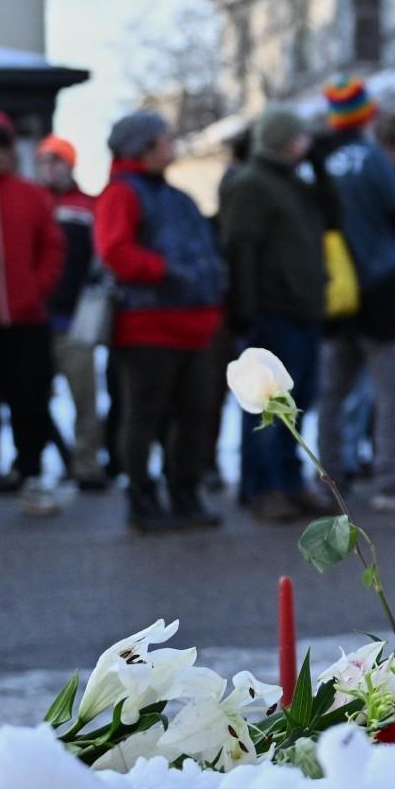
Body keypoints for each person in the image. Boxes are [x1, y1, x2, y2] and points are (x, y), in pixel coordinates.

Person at [94, 111, 224, 532]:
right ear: (143, 147)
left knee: (195, 414)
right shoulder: (121, 193)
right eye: (165, 138)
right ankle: (141, 497)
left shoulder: (177, 196)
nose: (172, 144)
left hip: (195, 326)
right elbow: (115, 252)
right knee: (143, 416)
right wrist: (167, 270)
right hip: (147, 328)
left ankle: (185, 491)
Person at [316, 78, 395, 512]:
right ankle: (390, 484)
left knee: (331, 395)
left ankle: (329, 482)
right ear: (366, 115)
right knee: (394, 393)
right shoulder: (372, 158)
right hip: (383, 291)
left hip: (333, 292)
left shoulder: (316, 159)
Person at [220, 108, 332, 522]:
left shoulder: (294, 183)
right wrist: (245, 310)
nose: (308, 143)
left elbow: (333, 216)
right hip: (272, 310)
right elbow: (240, 248)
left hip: (303, 308)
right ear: (285, 140)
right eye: (302, 138)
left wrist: (320, 169)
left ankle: (289, 481)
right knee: (268, 403)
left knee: (296, 402)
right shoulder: (251, 183)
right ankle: (262, 487)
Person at [0, 110, 66, 514]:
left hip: (27, 322)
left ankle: (31, 475)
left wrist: (37, 290)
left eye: (2, 147)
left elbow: (53, 248)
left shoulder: (31, 195)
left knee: (30, 402)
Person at [36, 133, 106, 491]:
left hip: (76, 322)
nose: (50, 168)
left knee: (85, 400)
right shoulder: (34, 203)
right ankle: (47, 460)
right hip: (35, 322)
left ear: (70, 165)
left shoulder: (88, 207)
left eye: (56, 161)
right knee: (31, 399)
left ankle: (86, 464)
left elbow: (100, 261)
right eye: (44, 161)